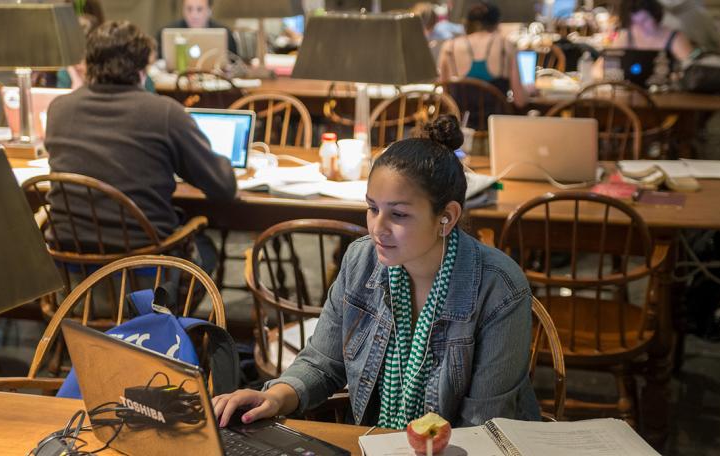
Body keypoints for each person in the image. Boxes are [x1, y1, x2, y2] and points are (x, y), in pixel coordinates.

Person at [213, 116, 539, 429]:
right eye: (372, 208)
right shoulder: (361, 259)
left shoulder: (499, 287)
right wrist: (273, 397)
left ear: (447, 217)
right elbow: (323, 362)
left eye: (398, 214)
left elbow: (483, 424)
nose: (377, 228)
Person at [45, 21, 236, 274]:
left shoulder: (59, 109)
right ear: (142, 68)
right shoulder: (164, 113)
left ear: (88, 63)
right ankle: (165, 314)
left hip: (70, 276)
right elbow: (223, 187)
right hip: (144, 274)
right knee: (206, 250)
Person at [437, 3, 527, 108]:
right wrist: (528, 90)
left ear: (467, 23)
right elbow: (520, 100)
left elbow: (444, 95)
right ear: (497, 23)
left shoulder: (449, 47)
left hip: (460, 122)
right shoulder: (506, 45)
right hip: (496, 122)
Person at [612, 0, 694, 65]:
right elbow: (603, 65)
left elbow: (691, 67)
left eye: (644, 21)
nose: (641, 27)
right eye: (635, 23)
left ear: (655, 16)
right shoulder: (626, 37)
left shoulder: (675, 38)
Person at [156, 0, 238, 59]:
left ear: (209, 11)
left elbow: (235, 63)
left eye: (199, 9)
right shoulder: (167, 32)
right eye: (189, 9)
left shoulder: (225, 33)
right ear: (183, 10)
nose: (194, 15)